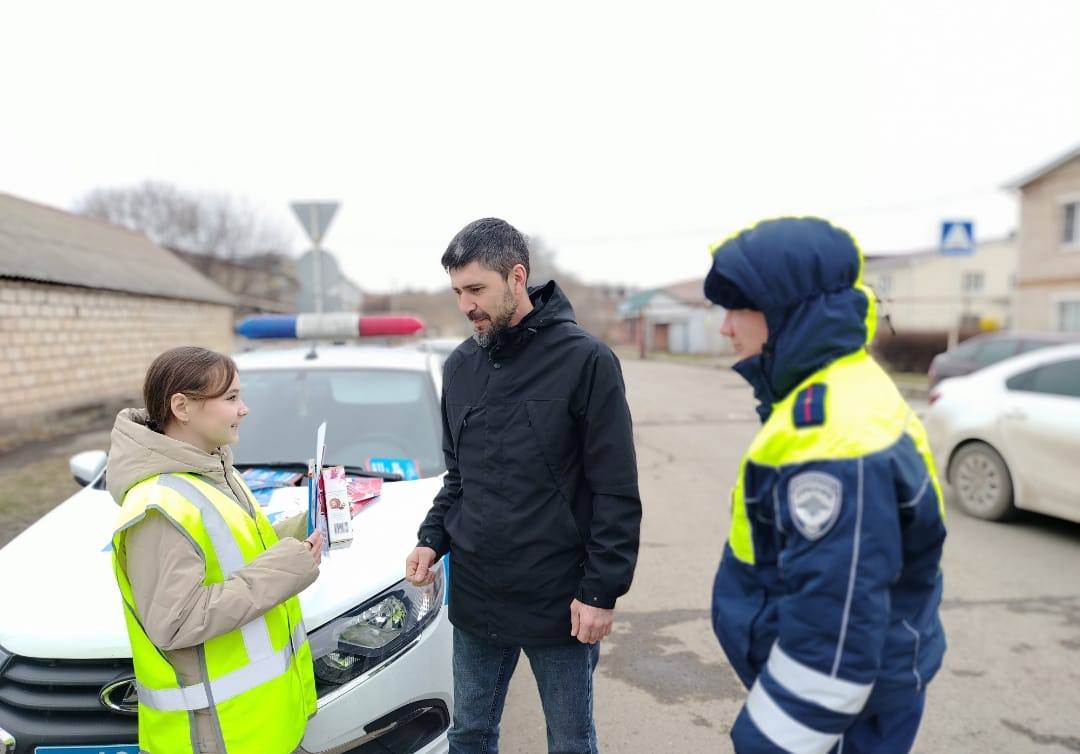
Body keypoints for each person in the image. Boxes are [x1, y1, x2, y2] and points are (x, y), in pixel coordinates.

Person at [703, 217, 947, 754]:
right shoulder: (838, 385)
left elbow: (834, 635)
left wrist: (770, 742)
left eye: (738, 309)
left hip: (837, 713)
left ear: (787, 312)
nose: (725, 328)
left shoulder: (834, 435)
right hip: (855, 697)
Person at [405, 218, 641, 754]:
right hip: (477, 596)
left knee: (570, 741)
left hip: (559, 598)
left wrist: (600, 591)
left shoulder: (586, 361)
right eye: (457, 292)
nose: (466, 305)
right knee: (469, 734)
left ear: (517, 276)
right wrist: (431, 538)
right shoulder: (460, 367)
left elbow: (615, 490)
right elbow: (459, 478)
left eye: (476, 289)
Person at [109, 346, 323, 754]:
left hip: (256, 726)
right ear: (182, 407)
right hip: (217, 736)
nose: (244, 409)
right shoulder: (158, 507)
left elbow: (234, 552)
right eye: (231, 398)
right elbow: (176, 622)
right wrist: (288, 568)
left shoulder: (214, 469)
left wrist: (303, 529)